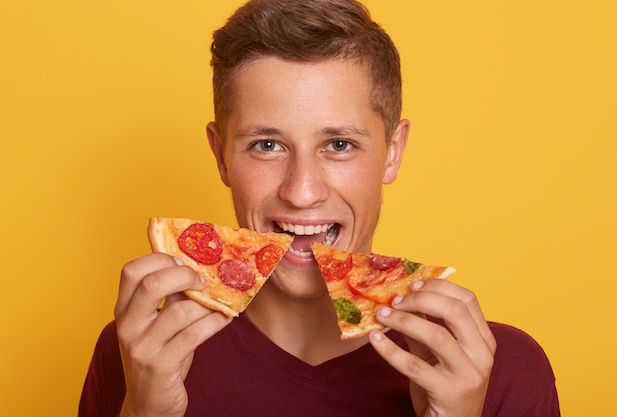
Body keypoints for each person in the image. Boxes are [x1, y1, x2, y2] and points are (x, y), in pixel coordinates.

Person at [79, 1, 560, 416]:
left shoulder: (502, 370)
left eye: (339, 144)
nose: (302, 191)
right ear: (220, 154)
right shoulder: (141, 352)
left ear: (392, 152)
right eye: (267, 144)